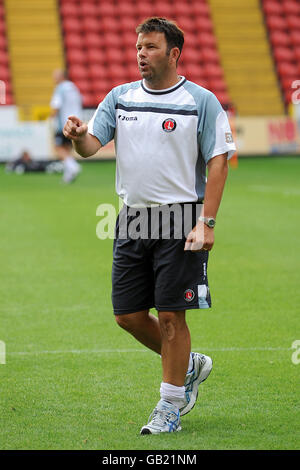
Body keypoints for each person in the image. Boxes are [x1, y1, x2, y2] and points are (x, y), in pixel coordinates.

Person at [63, 17, 236, 434]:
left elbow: (218, 161)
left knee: (173, 317)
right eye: (139, 46)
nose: (141, 53)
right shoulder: (120, 97)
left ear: (174, 53)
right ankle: (189, 365)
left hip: (180, 219)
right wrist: (77, 135)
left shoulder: (201, 101)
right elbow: (90, 147)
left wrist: (206, 222)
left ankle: (170, 404)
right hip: (133, 219)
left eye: (151, 47)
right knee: (127, 315)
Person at [50, 69, 82, 183]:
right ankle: (68, 175)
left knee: (58, 147)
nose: (54, 78)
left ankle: (73, 167)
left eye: (55, 76)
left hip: (63, 123)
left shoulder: (60, 89)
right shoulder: (74, 88)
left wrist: (51, 117)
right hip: (75, 122)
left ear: (61, 77)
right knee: (67, 148)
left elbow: (56, 106)